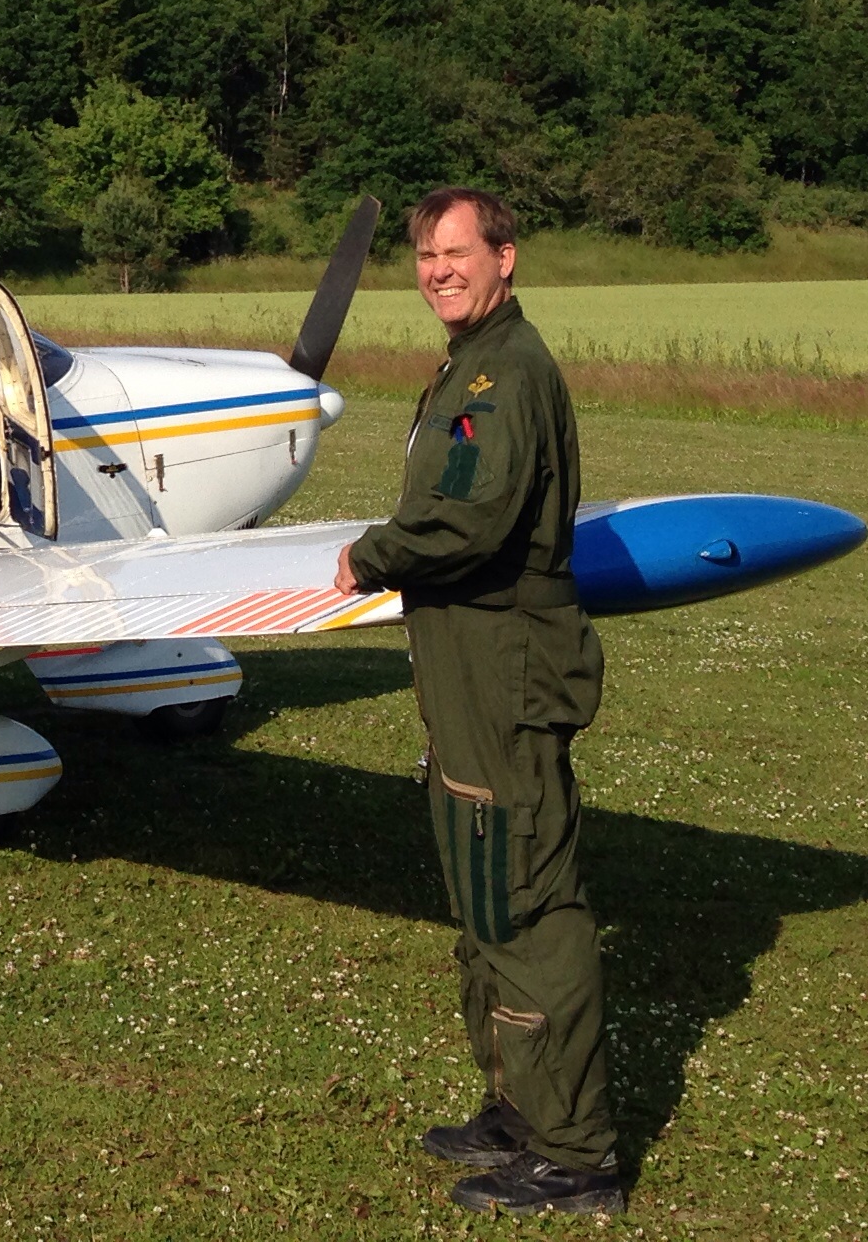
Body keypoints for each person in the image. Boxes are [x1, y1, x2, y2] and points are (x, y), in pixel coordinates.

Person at [329, 187, 622, 1216]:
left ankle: (576, 1154)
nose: (437, 270)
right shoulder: (474, 363)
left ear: (507, 258)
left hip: (505, 667)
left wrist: (372, 555)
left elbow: (475, 516)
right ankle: (517, 1107)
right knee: (483, 888)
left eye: (457, 252)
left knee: (530, 901)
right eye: (424, 256)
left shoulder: (508, 370)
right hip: (465, 666)